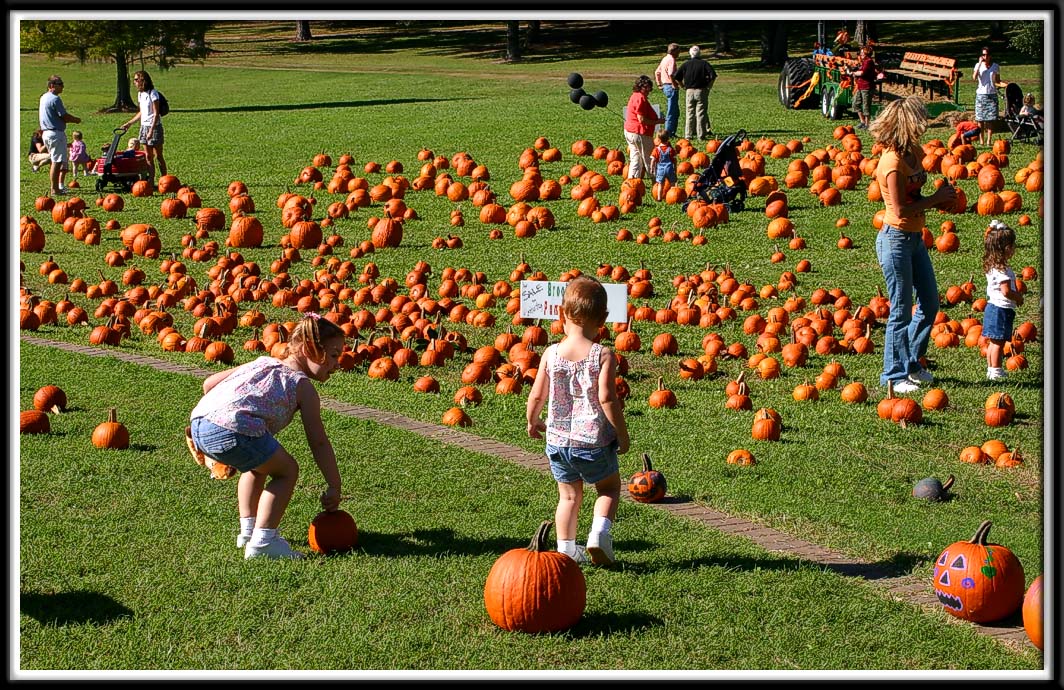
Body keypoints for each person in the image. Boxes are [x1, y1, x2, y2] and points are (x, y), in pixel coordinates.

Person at [187, 313, 345, 559]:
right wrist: (334, 484)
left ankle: (247, 533)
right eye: (334, 355)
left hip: (199, 423)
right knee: (287, 471)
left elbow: (209, 384)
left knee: (258, 465)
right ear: (308, 349)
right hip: (235, 428)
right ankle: (263, 542)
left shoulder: (261, 361)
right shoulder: (303, 386)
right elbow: (319, 441)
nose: (338, 364)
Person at [525, 277, 630, 566]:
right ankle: (598, 535)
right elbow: (608, 399)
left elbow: (536, 396)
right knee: (608, 488)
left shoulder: (550, 354)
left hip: (557, 442)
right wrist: (621, 434)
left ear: (562, 313)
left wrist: (533, 422)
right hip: (592, 442)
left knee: (569, 497)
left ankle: (567, 548)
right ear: (604, 319)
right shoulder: (603, 355)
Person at [868, 95, 958, 395]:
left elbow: (917, 196)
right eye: (918, 124)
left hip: (915, 238)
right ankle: (892, 375)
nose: (922, 129)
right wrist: (937, 200)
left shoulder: (914, 153)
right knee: (901, 311)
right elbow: (900, 209)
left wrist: (942, 194)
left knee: (930, 303)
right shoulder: (891, 164)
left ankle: (911, 362)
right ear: (905, 127)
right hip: (895, 240)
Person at [982, 220, 1022, 381]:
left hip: (991, 307)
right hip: (1001, 309)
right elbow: (1006, 291)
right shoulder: (1003, 271)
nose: (1014, 249)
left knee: (993, 342)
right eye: (1013, 246)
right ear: (1006, 249)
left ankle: (991, 369)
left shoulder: (992, 267)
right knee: (998, 343)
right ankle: (997, 370)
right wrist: (1017, 296)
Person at [38, 75, 81, 196]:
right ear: (52, 85)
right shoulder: (55, 99)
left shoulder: (43, 97)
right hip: (55, 133)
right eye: (60, 84)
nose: (62, 86)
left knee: (54, 160)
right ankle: (55, 189)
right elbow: (64, 116)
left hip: (46, 133)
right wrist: (76, 119)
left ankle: (55, 187)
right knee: (57, 162)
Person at [120, 69, 167, 182]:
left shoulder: (153, 93)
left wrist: (151, 130)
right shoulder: (140, 94)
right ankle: (150, 180)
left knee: (158, 155)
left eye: (136, 79)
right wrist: (129, 123)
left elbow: (156, 113)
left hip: (154, 127)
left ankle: (165, 180)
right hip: (144, 127)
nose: (134, 82)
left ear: (143, 80)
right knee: (148, 156)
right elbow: (141, 112)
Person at [623, 75, 664, 180]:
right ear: (640, 87)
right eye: (645, 87)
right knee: (649, 158)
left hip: (630, 131)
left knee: (635, 157)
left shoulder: (635, 96)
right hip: (639, 133)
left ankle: (632, 181)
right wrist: (657, 121)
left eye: (649, 87)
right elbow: (641, 119)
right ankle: (656, 180)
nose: (648, 90)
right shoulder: (640, 98)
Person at [675, 45, 717, 142]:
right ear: (700, 53)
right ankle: (701, 135)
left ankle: (688, 135)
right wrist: (709, 86)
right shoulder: (704, 64)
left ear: (690, 54)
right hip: (701, 91)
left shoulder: (686, 64)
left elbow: (677, 77)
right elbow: (713, 75)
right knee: (701, 113)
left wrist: (682, 86)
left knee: (689, 113)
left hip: (689, 91)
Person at [972, 47, 1003, 147]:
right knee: (980, 119)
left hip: (992, 94)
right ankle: (981, 140)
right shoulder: (978, 65)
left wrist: (1004, 85)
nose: (985, 57)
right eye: (983, 55)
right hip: (981, 95)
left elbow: (998, 81)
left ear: (990, 56)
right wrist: (980, 63)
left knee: (990, 119)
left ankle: (989, 140)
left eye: (987, 55)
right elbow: (974, 77)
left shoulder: (995, 66)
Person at [654, 43, 681, 138]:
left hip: (665, 86)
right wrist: (675, 85)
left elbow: (657, 72)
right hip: (670, 86)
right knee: (672, 111)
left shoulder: (664, 59)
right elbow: (671, 74)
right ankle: (668, 133)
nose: (679, 53)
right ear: (674, 51)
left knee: (675, 111)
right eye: (678, 51)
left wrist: (659, 84)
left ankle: (672, 132)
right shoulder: (671, 60)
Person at [848, 46, 877, 130]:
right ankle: (862, 121)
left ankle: (867, 124)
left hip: (867, 87)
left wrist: (853, 73)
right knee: (855, 103)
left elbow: (862, 73)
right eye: (860, 53)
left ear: (866, 53)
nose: (861, 54)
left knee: (866, 106)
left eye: (862, 53)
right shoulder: (864, 62)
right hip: (860, 86)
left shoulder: (869, 62)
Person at [650, 131, 677, 201]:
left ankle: (659, 197)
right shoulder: (671, 149)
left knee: (660, 184)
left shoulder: (656, 150)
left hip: (660, 170)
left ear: (658, 139)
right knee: (672, 183)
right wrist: (675, 168)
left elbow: (653, 160)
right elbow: (674, 160)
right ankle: (673, 196)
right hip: (669, 169)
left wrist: (651, 168)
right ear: (668, 139)